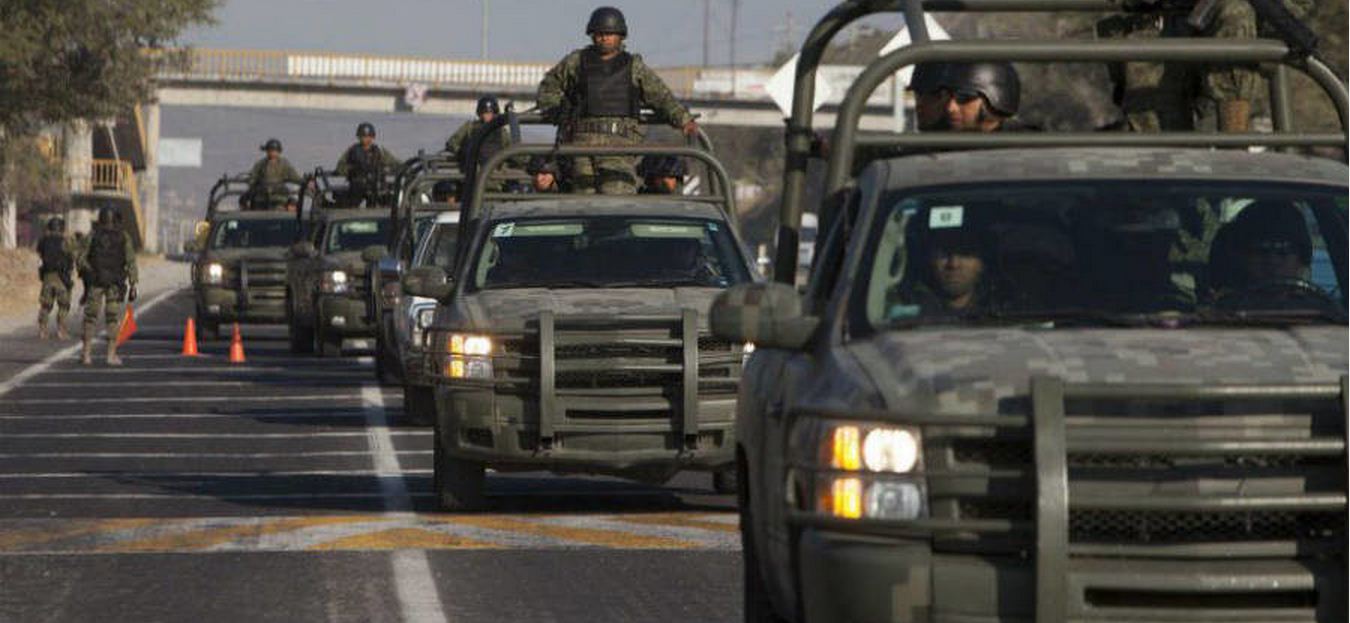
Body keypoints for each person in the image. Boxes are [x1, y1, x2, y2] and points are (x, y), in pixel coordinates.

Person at [536, 6, 698, 195]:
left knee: (617, 199)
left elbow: (660, 96)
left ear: (620, 36)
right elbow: (549, 86)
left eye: (609, 34)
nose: (604, 38)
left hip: (619, 145)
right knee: (583, 200)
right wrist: (556, 110)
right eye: (599, 33)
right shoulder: (576, 61)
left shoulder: (634, 66)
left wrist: (683, 119)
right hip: (581, 143)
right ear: (592, 35)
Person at [1098, 0, 1313, 132]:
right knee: (1158, 138)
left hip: (1241, 38)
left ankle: (1234, 149)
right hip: (1163, 28)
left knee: (1235, 12)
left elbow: (1295, 9)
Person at [79, 207, 137, 366]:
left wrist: (89, 273)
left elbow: (81, 259)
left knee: (90, 317)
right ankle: (111, 355)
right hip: (114, 284)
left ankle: (86, 354)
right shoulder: (123, 237)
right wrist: (133, 284)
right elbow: (131, 262)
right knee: (113, 318)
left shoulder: (92, 235)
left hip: (96, 282)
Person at [335, 122, 400, 207]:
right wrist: (352, 169)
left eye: (369, 136)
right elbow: (340, 167)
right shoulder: (352, 151)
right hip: (357, 186)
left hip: (376, 186)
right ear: (359, 137)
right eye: (363, 136)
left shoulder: (379, 151)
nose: (366, 139)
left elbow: (396, 163)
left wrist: (387, 169)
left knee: (386, 199)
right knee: (351, 202)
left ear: (373, 137)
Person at [36, 217, 75, 340]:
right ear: (61, 228)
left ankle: (42, 330)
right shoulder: (66, 241)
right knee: (63, 304)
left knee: (46, 305)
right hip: (62, 277)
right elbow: (71, 258)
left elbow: (40, 256)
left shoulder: (43, 241)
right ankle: (61, 331)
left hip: (47, 276)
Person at [445, 96, 512, 166]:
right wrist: (463, 153)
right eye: (485, 112)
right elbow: (452, 143)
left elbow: (512, 148)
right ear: (480, 113)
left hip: (495, 168)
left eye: (490, 112)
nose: (488, 115)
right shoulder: (470, 127)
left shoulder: (501, 131)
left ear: (495, 113)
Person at [247, 138, 303, 210]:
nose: (272, 153)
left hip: (279, 198)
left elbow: (295, 177)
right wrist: (254, 187)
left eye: (274, 151)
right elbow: (252, 179)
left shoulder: (284, 164)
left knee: (280, 210)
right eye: (269, 150)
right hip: (261, 198)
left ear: (278, 152)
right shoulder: (260, 164)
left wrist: (306, 183)